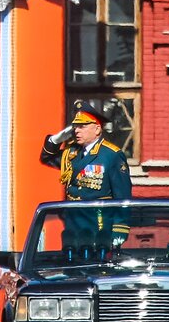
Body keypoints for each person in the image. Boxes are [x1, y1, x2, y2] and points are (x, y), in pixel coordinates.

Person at [40, 100, 132, 250]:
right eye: (75, 127)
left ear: (97, 129)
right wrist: (55, 140)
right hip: (73, 223)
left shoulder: (111, 155)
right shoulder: (71, 153)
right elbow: (47, 159)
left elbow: (123, 196)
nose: (76, 131)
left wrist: (120, 229)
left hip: (99, 224)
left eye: (82, 127)